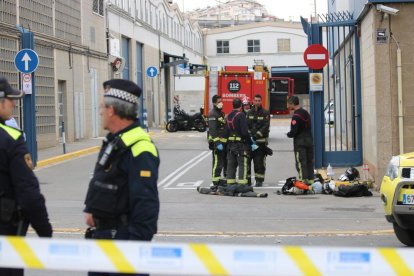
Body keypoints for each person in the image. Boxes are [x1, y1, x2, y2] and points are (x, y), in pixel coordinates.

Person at [84, 79, 160, 276]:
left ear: (112, 110)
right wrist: (91, 209)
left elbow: (146, 205)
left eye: (102, 107)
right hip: (105, 239)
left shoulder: (139, 147)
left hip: (124, 243)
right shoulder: (114, 141)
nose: (100, 111)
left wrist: (134, 252)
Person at [0, 76, 53, 276]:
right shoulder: (11, 140)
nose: (13, 105)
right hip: (5, 236)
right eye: (10, 100)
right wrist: (45, 232)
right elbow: (29, 193)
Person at [226, 98, 256, 185]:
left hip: (230, 145)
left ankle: (230, 183)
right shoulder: (241, 115)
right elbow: (244, 132)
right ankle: (242, 184)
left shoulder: (228, 115)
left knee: (231, 164)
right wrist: (251, 143)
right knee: (243, 164)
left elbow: (226, 131)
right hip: (240, 145)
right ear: (240, 106)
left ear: (233, 105)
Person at [286, 95, 314, 184]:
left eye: (288, 104)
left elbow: (293, 132)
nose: (287, 106)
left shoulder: (296, 116)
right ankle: (311, 181)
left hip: (300, 142)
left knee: (301, 162)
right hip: (309, 140)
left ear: (292, 104)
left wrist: (288, 134)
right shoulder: (306, 113)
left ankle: (303, 182)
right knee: (309, 161)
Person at [247, 94, 270, 187]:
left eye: (259, 100)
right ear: (253, 101)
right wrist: (249, 136)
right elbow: (246, 125)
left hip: (260, 142)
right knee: (247, 162)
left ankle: (259, 180)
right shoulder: (249, 112)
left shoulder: (265, 113)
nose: (257, 102)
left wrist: (256, 136)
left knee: (259, 162)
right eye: (255, 100)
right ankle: (247, 180)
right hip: (250, 143)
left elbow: (265, 126)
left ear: (261, 101)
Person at [207, 95, 227, 190]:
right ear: (214, 103)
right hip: (217, 143)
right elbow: (213, 130)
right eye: (219, 101)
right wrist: (217, 143)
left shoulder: (221, 113)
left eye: (221, 101)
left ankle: (219, 179)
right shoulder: (212, 114)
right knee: (217, 162)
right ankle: (215, 181)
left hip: (223, 143)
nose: (221, 103)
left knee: (222, 162)